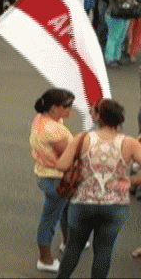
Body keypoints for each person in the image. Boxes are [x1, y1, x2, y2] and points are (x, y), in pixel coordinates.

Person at [55, 99, 141, 278]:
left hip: (83, 202)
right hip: (115, 204)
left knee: (74, 246)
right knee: (104, 249)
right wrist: (131, 181)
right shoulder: (130, 143)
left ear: (98, 117)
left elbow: (62, 165)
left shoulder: (83, 138)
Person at [29, 88, 75, 273]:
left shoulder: (41, 118)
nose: (70, 109)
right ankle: (45, 259)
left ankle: (67, 241)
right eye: (67, 106)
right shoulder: (54, 131)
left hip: (45, 174)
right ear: (55, 107)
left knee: (64, 209)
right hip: (56, 179)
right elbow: (68, 156)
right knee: (49, 219)